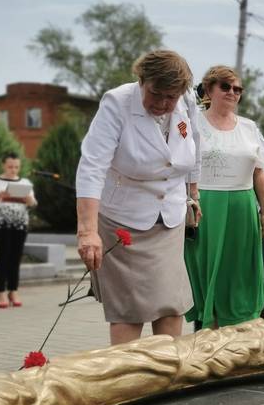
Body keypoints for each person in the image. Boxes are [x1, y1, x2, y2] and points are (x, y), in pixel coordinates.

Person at [76, 50, 201, 345]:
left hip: (169, 217)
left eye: (171, 97)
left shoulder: (188, 101)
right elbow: (92, 167)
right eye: (155, 94)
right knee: (129, 310)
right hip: (123, 220)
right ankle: (128, 377)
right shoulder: (117, 103)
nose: (162, 103)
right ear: (141, 81)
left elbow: (195, 147)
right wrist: (88, 231)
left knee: (172, 305)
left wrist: (193, 195)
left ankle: (168, 376)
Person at [184, 65, 264, 329]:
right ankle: (208, 332)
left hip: (242, 208)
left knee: (240, 273)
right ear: (209, 89)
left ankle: (244, 329)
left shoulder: (249, 127)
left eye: (237, 89)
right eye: (225, 86)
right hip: (205, 206)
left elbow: (259, 172)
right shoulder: (191, 123)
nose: (232, 92)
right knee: (208, 270)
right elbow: (182, 166)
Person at [0, 152, 37, 308]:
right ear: (3, 165)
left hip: (20, 224)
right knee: (2, 256)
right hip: (0, 224)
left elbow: (33, 203)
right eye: (10, 166)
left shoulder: (25, 182)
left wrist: (29, 200)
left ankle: (13, 290)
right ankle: (1, 292)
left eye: (16, 167)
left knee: (15, 257)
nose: (13, 170)